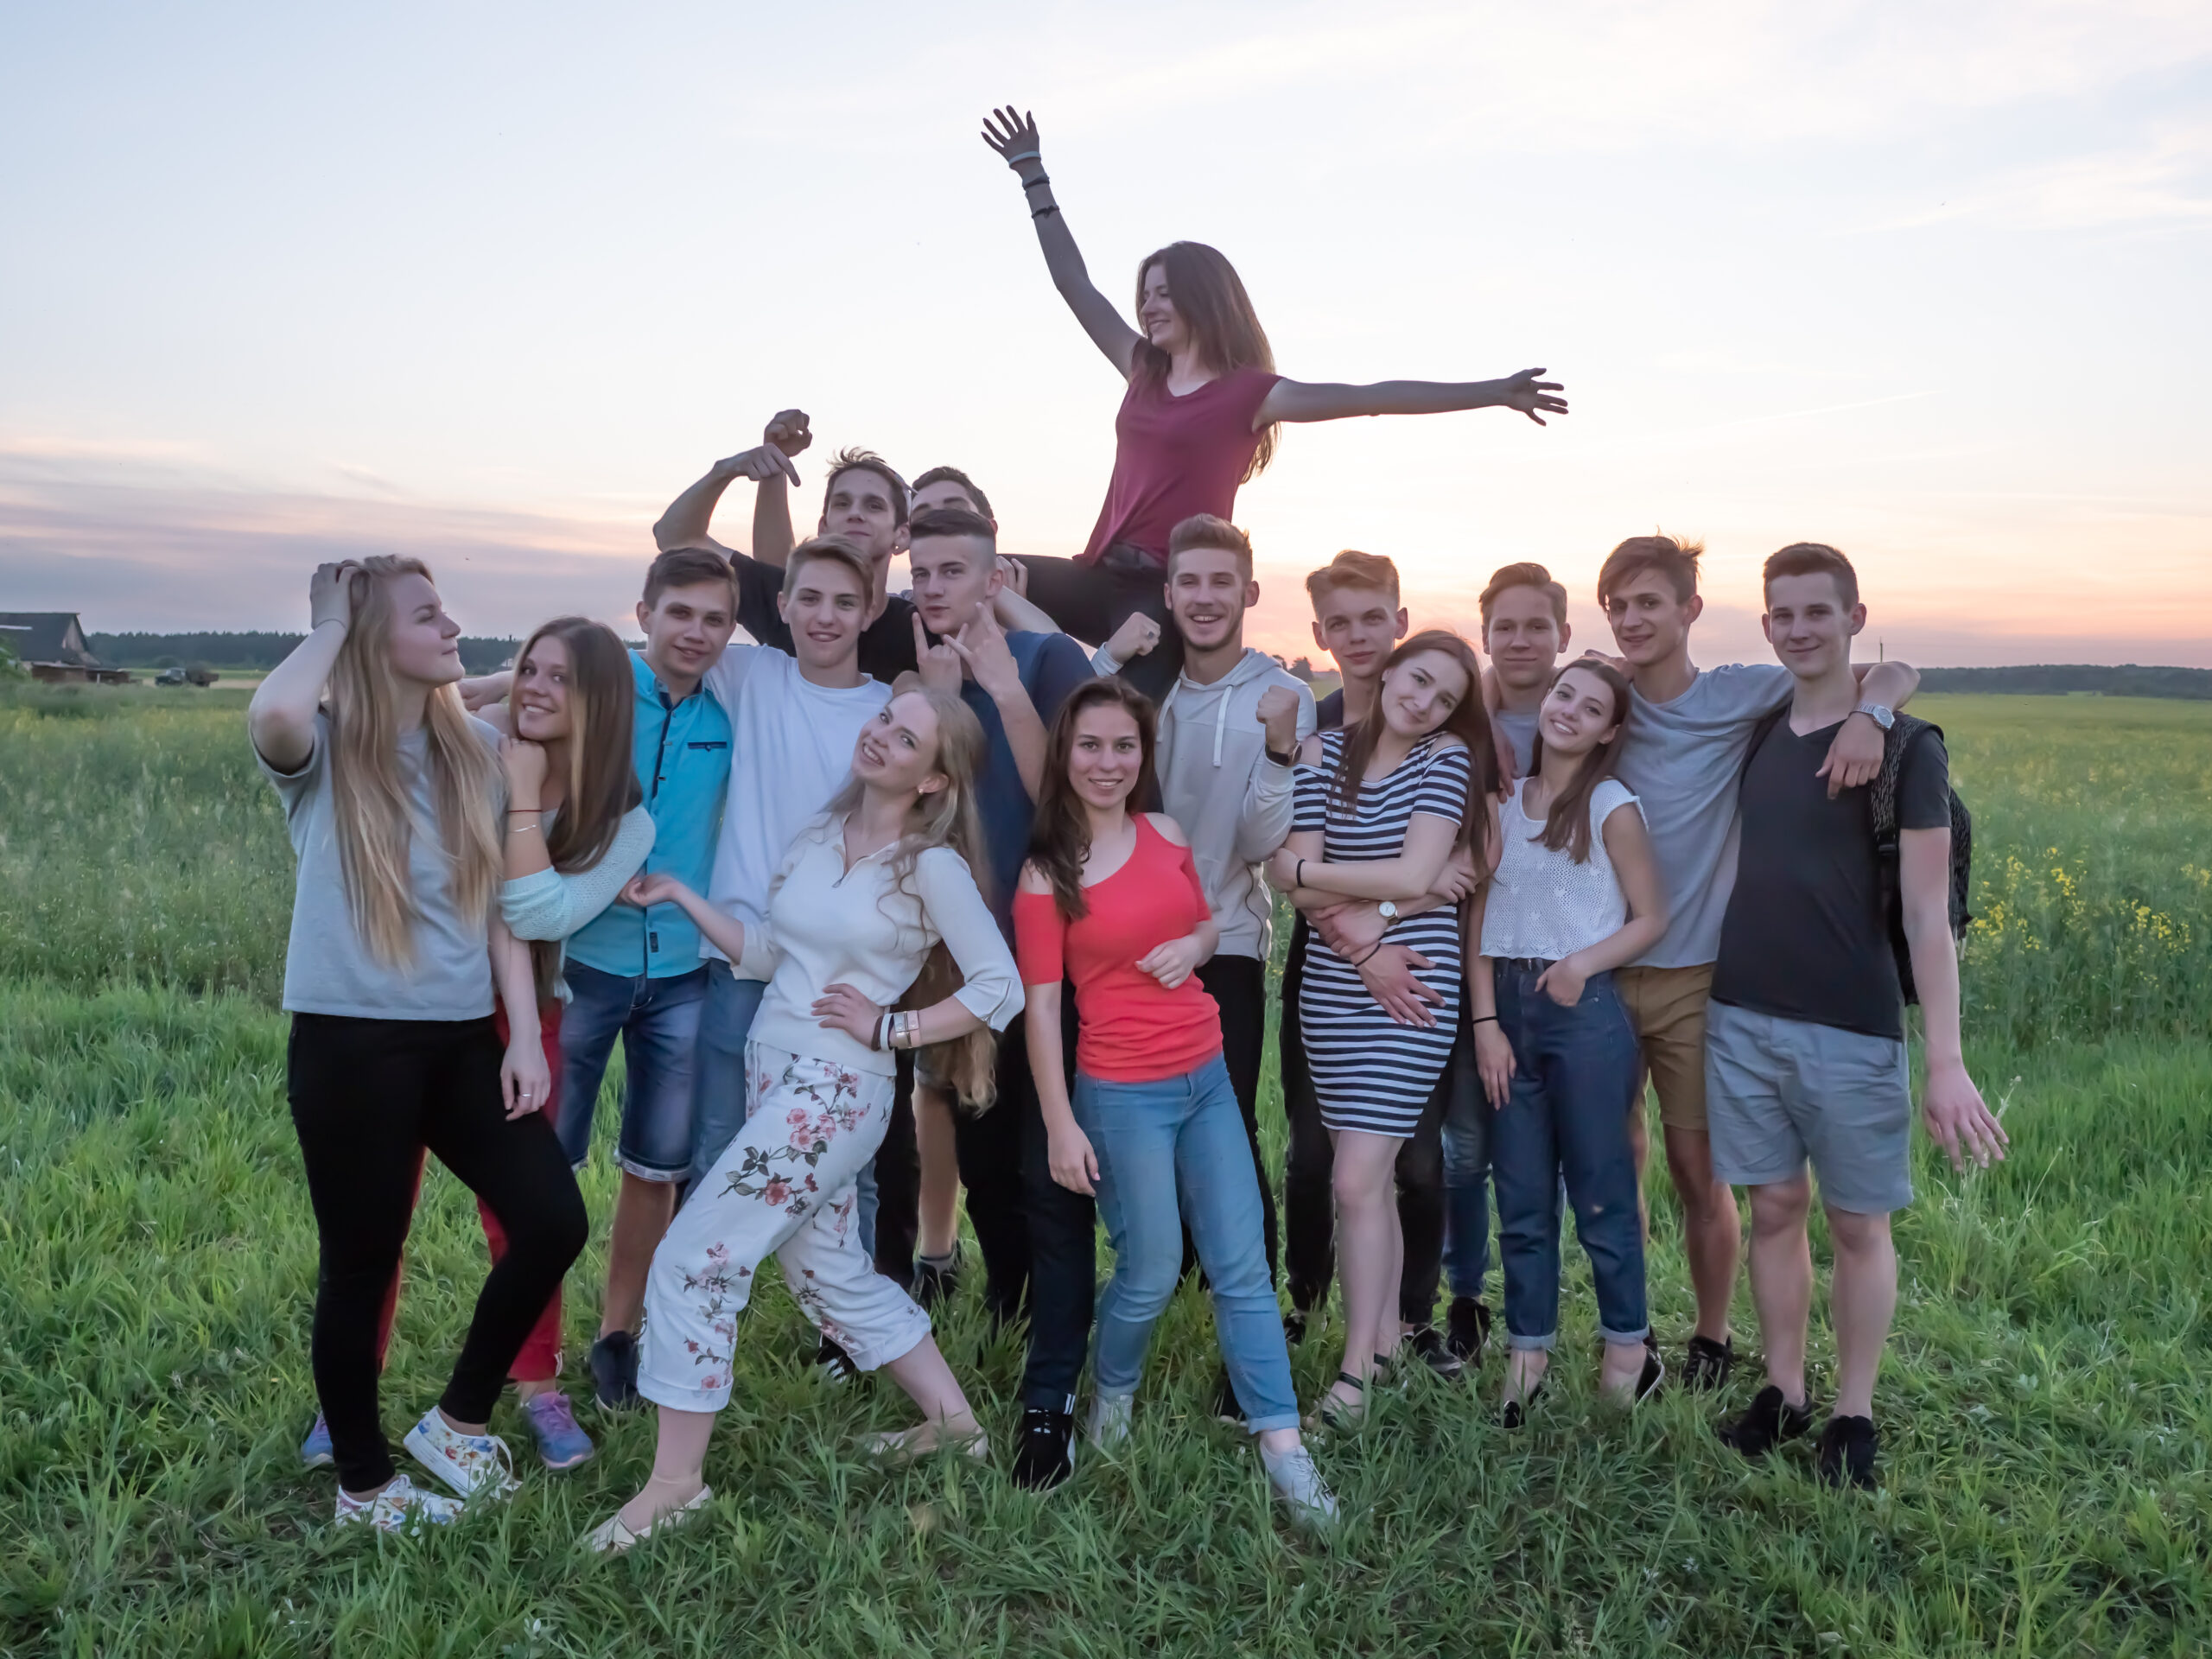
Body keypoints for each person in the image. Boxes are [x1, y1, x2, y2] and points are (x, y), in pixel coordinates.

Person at [582, 688, 1021, 1552]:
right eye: (883, 719)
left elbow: (996, 986)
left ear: (934, 779)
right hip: (774, 1070)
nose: (880, 736)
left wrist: (893, 1028)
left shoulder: (928, 866)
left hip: (836, 1091)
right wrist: (678, 894)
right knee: (830, 1276)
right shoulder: (820, 837)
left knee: (696, 1257)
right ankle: (955, 1427)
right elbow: (768, 956)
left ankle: (676, 1484)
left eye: (905, 737)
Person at [979, 105, 1567, 697]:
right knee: (973, 577)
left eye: (1163, 294)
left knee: (1125, 717)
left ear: (1200, 299)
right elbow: (1073, 285)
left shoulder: (1251, 395)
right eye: (1145, 295)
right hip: (1097, 571)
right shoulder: (1141, 370)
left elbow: (1371, 398)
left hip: (1166, 590)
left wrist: (1494, 392)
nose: (1148, 307)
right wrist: (1033, 175)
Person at [251, 558, 587, 1532]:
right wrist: (332, 621)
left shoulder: (474, 749)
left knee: (551, 1219)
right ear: (368, 637)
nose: (450, 626)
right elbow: (274, 710)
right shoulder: (321, 748)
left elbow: (499, 916)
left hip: (462, 1044)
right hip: (352, 1048)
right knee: (361, 1260)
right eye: (427, 615)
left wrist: (522, 1036)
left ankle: (458, 1418)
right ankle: (363, 1483)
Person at [1707, 543, 2005, 1488]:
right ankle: (1785, 1390)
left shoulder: (1907, 749)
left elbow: (1925, 917)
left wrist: (1944, 1061)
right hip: (1739, 1014)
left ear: (1853, 618)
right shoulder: (1760, 728)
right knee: (1772, 1211)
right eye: (1782, 614)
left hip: (1850, 1023)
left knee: (1855, 1225)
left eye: (1816, 613)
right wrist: (1874, 699)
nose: (1798, 629)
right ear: (1763, 626)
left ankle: (1853, 1412)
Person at [1602, 532, 1919, 1393]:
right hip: (1601, 967)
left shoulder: (1741, 694)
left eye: (1649, 603)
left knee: (1698, 1171)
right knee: (1613, 1160)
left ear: (1689, 611)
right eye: (1618, 606)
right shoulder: (1601, 701)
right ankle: (1627, 1334)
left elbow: (1884, 673)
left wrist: (1873, 711)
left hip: (1700, 973)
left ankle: (1711, 1336)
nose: (1633, 620)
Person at [1015, 680, 1337, 1524]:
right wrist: (1058, 1121)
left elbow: (1204, 928)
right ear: (1065, 754)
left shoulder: (1161, 833)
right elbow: (1042, 1007)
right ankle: (1110, 1394)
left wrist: (1185, 948)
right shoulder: (1047, 873)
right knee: (1151, 1270)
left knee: (1242, 1270)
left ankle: (1283, 1445)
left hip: (1204, 1076)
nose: (1108, 763)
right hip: (1120, 1094)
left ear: (1141, 756)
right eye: (1090, 746)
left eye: (1124, 746)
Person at [899, 505, 1096, 1491]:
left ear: (994, 575)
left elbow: (1067, 799)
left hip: (1046, 957)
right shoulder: (917, 670)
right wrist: (935, 709)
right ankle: (1011, 1304)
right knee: (979, 1156)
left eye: (950, 571)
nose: (931, 587)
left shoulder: (1051, 657)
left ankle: (1051, 1385)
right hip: (952, 959)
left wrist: (997, 692)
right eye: (919, 570)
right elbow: (912, 807)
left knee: (1042, 1166)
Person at [1266, 632, 1495, 1426]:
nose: (1424, 701)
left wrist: (1314, 877)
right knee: (1372, 1186)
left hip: (1413, 988)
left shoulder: (1447, 762)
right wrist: (1365, 931)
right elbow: (1295, 878)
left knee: (1356, 1181)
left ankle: (1355, 1375)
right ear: (1391, 667)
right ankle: (1390, 1346)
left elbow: (1388, 876)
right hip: (1336, 982)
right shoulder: (1320, 753)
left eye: (1444, 699)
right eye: (1420, 679)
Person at [684, 537, 893, 1312]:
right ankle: (696, 1321)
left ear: (872, 609)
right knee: (717, 1150)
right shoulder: (748, 674)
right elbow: (629, 668)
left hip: (842, 976)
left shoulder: (887, 713)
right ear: (780, 608)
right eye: (809, 598)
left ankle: (849, 1331)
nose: (826, 616)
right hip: (740, 959)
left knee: (847, 1164)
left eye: (846, 601)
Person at [1133, 515, 1312, 1414]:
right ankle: (1171, 1287)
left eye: (1220, 582)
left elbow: (1259, 839)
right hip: (1127, 946)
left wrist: (1278, 750)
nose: (1203, 598)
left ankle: (1256, 1316)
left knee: (1228, 1134)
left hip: (1227, 946)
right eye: (1187, 582)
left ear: (1248, 593)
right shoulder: (1145, 685)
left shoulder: (1282, 697)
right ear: (1168, 594)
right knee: (1139, 1134)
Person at [553, 548, 736, 1408]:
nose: (696, 633)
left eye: (714, 619)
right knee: (544, 1165)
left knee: (655, 1167)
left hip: (683, 976)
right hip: (582, 963)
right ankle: (530, 1345)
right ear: (644, 614)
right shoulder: (595, 687)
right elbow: (507, 705)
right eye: (680, 614)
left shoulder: (730, 712)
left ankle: (615, 1337)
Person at [1471, 660, 1666, 1423]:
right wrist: (1485, 1025)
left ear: (1609, 730)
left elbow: (1651, 916)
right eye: (1562, 696)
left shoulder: (1613, 805)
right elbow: (1477, 924)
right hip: (1508, 1015)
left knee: (1599, 1188)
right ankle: (1529, 1352)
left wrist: (1580, 963)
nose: (1569, 713)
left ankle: (1627, 1349)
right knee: (1519, 1194)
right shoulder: (1501, 805)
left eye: (1591, 708)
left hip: (1584, 1011)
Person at [1427, 561, 1573, 1368]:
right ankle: (1465, 1296)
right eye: (1505, 627)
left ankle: (1535, 1305)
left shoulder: (1587, 710)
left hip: (1554, 969)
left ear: (1563, 633)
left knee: (1538, 1152)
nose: (1520, 641)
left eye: (1536, 626)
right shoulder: (1459, 722)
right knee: (1465, 1145)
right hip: (1458, 959)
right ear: (1485, 636)